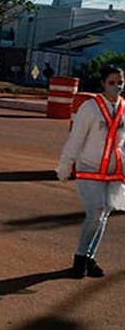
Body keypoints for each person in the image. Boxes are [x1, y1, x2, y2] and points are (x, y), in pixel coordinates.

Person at [56, 65, 125, 279]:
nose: (116, 87)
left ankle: (89, 258)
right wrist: (65, 166)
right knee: (95, 211)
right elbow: (76, 139)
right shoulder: (90, 108)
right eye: (112, 82)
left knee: (104, 214)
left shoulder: (124, 108)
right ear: (103, 83)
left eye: (120, 82)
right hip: (90, 168)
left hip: (114, 171)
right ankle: (79, 258)